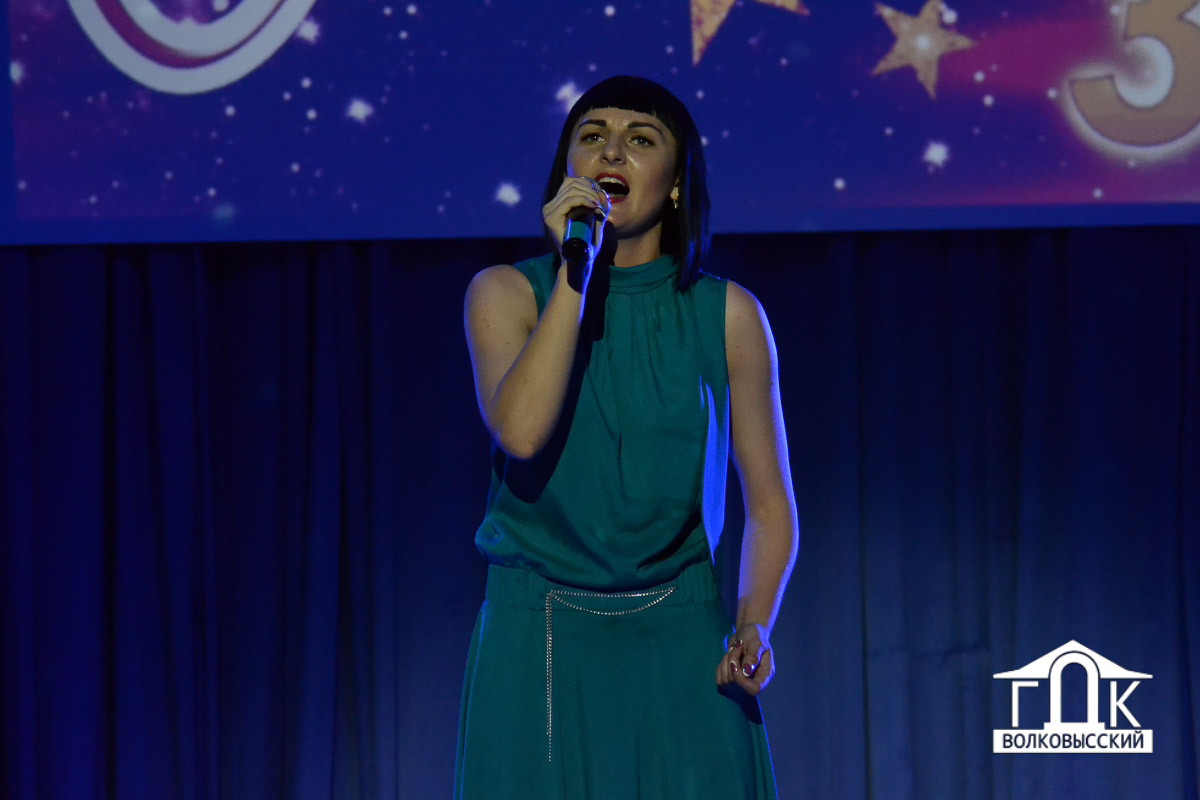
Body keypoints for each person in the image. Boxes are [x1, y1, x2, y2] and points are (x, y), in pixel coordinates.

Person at [456, 75, 798, 799]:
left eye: (640, 139)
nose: (611, 150)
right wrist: (575, 276)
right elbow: (522, 432)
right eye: (592, 136)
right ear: (566, 173)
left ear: (674, 185)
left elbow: (770, 508)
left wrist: (754, 625)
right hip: (538, 637)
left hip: (682, 634)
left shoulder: (729, 314)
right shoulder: (505, 294)